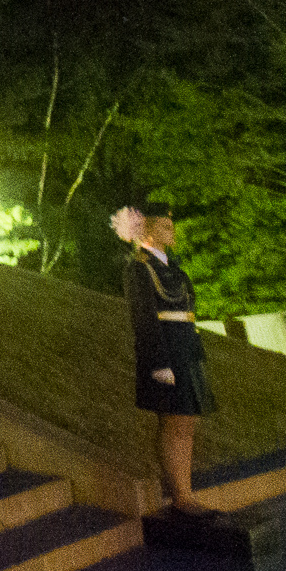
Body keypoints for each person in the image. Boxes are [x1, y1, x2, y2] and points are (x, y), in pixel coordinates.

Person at [116, 206, 218, 516]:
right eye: (163, 224)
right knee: (174, 423)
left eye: (171, 223)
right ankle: (181, 499)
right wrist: (158, 363)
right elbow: (144, 319)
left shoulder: (174, 268)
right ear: (144, 229)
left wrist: (196, 353)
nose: (170, 228)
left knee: (187, 423)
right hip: (166, 354)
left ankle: (186, 494)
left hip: (186, 351)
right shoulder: (138, 269)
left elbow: (188, 313)